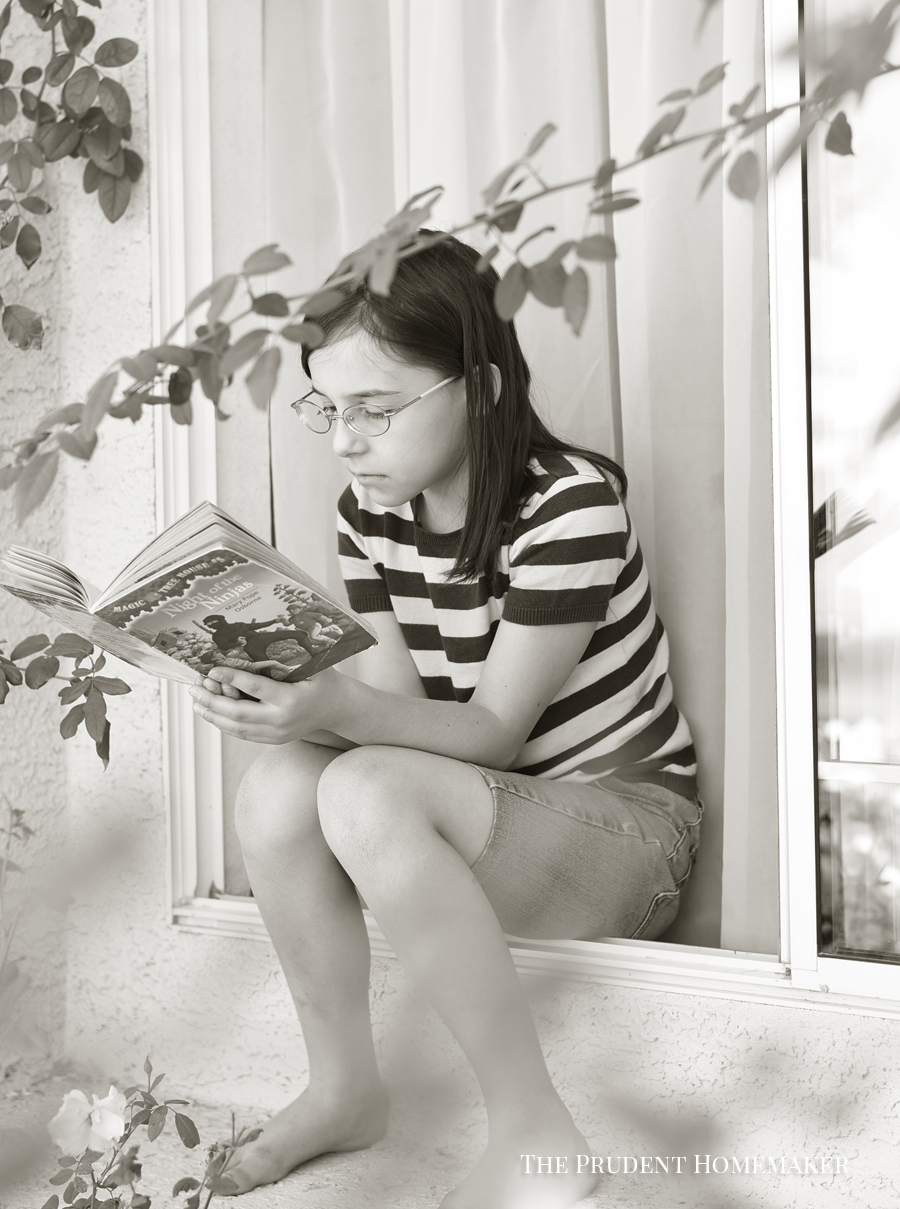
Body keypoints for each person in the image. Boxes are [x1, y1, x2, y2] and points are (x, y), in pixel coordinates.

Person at [188, 234, 702, 1209]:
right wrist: (285, 695)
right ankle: (342, 1087)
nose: (345, 439)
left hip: (627, 838)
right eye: (325, 407)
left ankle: (531, 1126)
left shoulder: (570, 508)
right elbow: (406, 715)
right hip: (486, 819)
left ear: (484, 385)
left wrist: (337, 706)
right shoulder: (369, 514)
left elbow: (496, 730)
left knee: (362, 780)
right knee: (282, 783)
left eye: (374, 409)